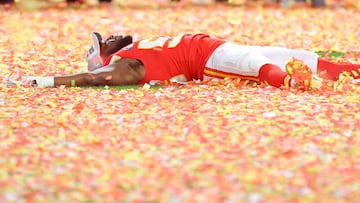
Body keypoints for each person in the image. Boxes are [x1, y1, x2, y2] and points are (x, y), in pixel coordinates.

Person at [5, 32, 360, 90]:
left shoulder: (128, 58)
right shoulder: (127, 60)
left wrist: (47, 80)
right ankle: (292, 83)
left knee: (305, 60)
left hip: (212, 49)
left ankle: (346, 73)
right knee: (261, 64)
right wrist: (46, 81)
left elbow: (99, 74)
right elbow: (98, 77)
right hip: (210, 54)